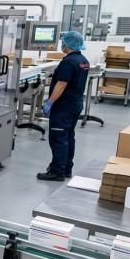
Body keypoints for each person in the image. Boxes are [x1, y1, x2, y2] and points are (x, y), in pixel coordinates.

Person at [37, 31, 90, 181]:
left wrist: (50, 102)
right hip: (76, 104)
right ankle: (66, 168)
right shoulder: (84, 60)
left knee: (58, 138)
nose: (62, 44)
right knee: (68, 136)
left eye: (63, 42)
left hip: (64, 106)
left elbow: (61, 85)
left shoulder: (68, 62)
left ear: (68, 44)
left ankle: (57, 172)